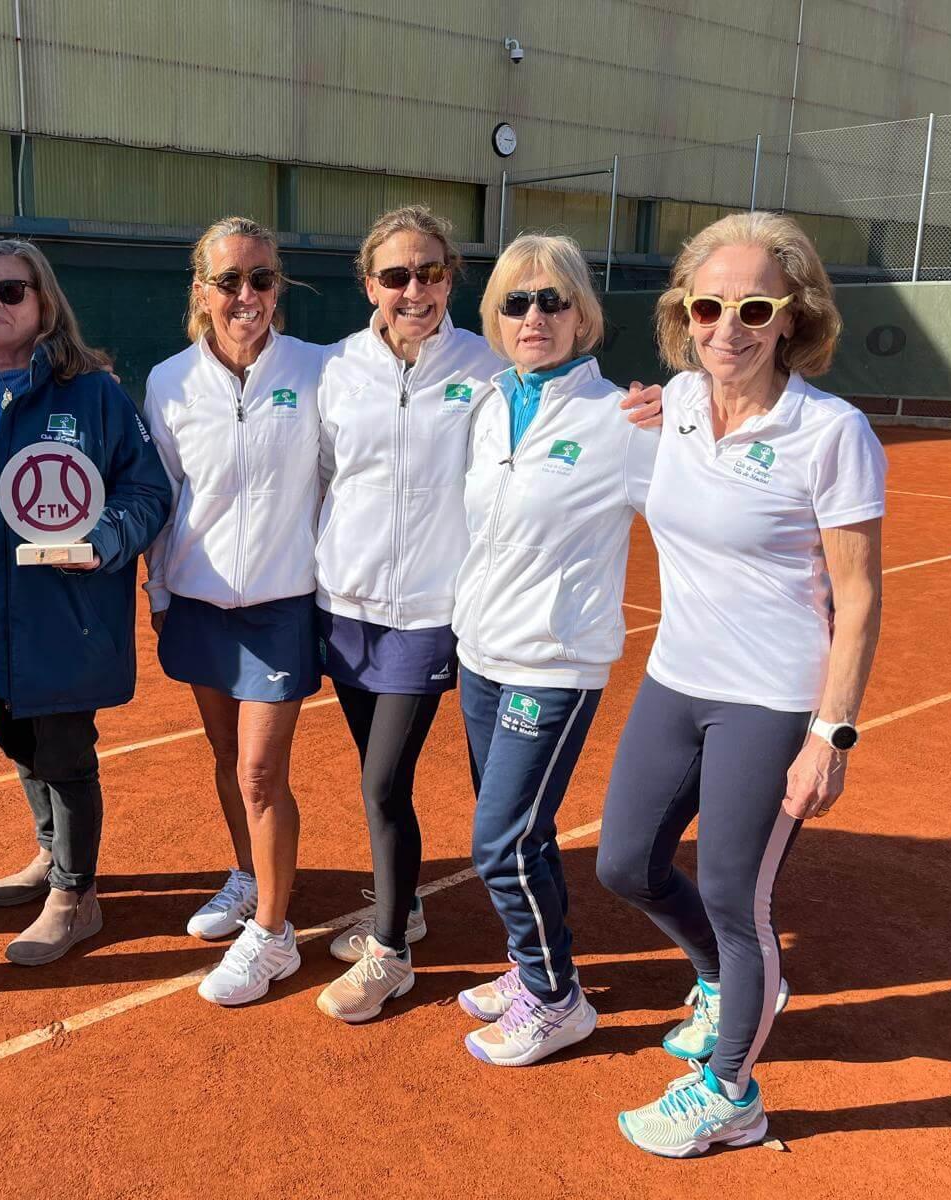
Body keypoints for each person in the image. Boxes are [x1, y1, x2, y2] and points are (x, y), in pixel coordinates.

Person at [312, 207, 662, 1023]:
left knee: (390, 784)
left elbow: (680, 485)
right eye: (395, 276)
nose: (413, 290)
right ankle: (442, 921)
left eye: (430, 273)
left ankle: (393, 950)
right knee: (412, 791)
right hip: (364, 612)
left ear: (450, 280)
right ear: (371, 285)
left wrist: (668, 409)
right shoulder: (349, 370)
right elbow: (320, 474)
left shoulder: (485, 373)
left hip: (441, 616)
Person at [596, 212, 884, 1156]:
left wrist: (830, 736)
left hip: (772, 698)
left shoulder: (831, 434)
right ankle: (724, 979)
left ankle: (732, 1092)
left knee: (734, 894)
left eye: (754, 306)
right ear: (685, 311)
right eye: (708, 305)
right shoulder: (676, 402)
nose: (730, 326)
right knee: (625, 865)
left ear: (792, 316)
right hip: (676, 680)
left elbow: (859, 595)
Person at [451, 234, 659, 1066]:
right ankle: (529, 963)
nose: (534, 316)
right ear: (497, 319)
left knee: (500, 840)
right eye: (516, 301)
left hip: (552, 662)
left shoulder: (622, 420)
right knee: (519, 834)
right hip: (482, 653)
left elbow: (694, 512)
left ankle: (555, 997)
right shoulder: (490, 404)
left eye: (553, 300)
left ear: (583, 315)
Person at [0, 239, 171, 966]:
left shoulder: (91, 391)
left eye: (12, 291)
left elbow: (147, 489)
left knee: (64, 749)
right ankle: (49, 852)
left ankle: (76, 895)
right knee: (15, 736)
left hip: (61, 607)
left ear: (44, 304)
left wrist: (105, 538)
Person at [142, 216, 323, 1006]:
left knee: (259, 771)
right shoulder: (168, 382)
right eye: (229, 281)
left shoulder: (320, 371)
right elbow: (164, 495)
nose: (245, 295)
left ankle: (274, 937)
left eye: (260, 279)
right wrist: (156, 588)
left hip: (282, 605)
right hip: (197, 601)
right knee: (225, 760)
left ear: (278, 288)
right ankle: (248, 876)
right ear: (202, 291)